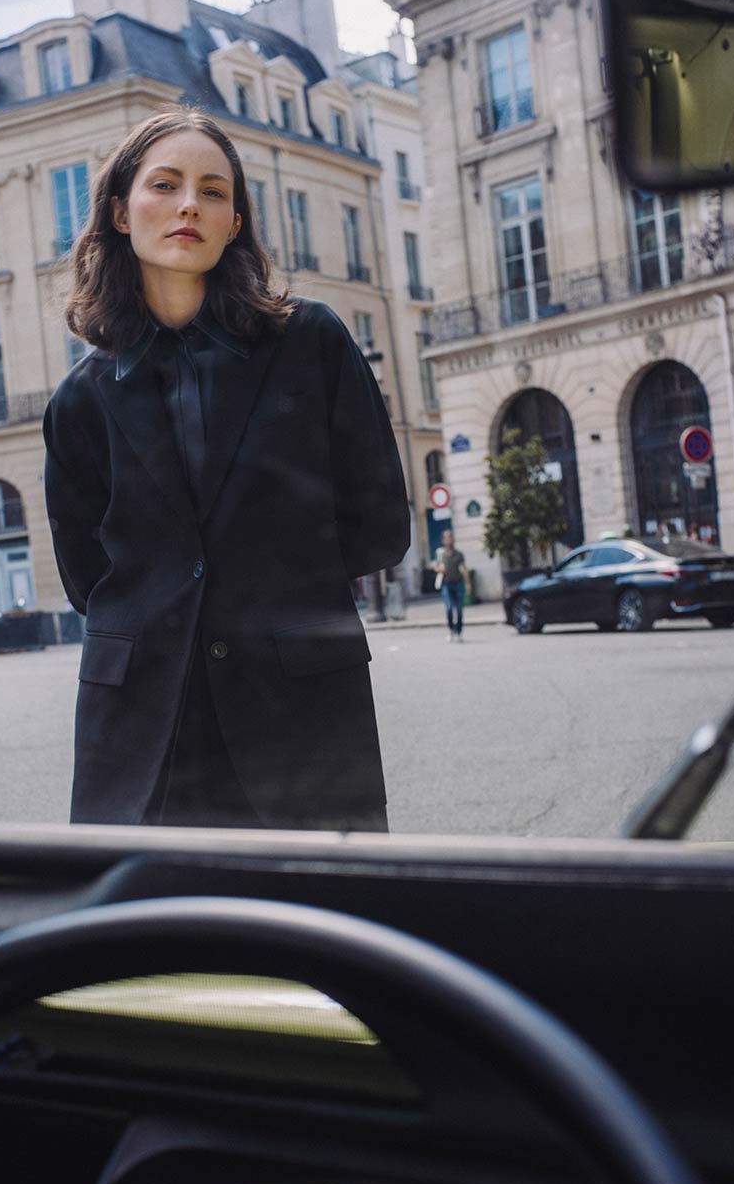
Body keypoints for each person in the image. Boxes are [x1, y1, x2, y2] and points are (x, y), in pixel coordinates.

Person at [43, 108, 410, 832]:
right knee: (162, 943)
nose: (190, 205)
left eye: (214, 191)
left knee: (320, 934)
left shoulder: (312, 343)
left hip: (301, 718)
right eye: (166, 184)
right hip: (147, 731)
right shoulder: (79, 401)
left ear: (235, 222)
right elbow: (88, 577)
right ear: (120, 212)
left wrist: (278, 600)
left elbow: (380, 526)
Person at [433, 531, 468, 641]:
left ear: (453, 539)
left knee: (459, 610)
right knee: (449, 609)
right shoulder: (440, 554)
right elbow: (435, 567)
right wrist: (439, 569)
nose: (448, 539)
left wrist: (468, 583)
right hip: (446, 585)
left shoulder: (459, 554)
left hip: (458, 584)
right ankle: (451, 630)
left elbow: (464, 568)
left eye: (450, 537)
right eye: (446, 538)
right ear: (443, 540)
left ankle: (459, 632)